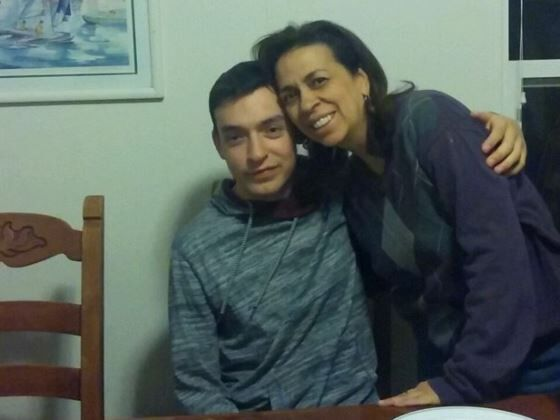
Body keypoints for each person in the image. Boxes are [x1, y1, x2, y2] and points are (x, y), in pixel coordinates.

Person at [253, 20, 560, 407]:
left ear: (361, 80)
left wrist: (463, 382)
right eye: (290, 95)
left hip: (532, 357)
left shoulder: (430, 121)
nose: (307, 102)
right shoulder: (354, 185)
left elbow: (498, 259)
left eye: (318, 81)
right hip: (451, 357)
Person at [169, 61, 379, 414]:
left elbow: (403, 153)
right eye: (236, 137)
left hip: (353, 408)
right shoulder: (195, 250)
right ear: (218, 144)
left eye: (271, 130)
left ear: (294, 130)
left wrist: (482, 136)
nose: (256, 154)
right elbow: (197, 388)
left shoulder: (338, 191)